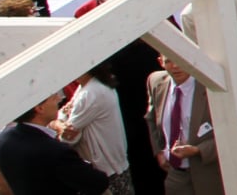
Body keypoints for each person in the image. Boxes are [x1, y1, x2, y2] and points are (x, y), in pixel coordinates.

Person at [0, 90, 109, 195]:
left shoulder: (4, 138)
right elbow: (98, 183)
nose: (59, 98)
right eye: (53, 97)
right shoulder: (55, 151)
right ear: (39, 108)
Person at [146, 52, 221, 195]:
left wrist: (198, 150)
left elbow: (230, 131)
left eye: (181, 60)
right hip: (176, 174)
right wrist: (160, 152)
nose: (175, 66)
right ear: (160, 61)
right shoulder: (156, 82)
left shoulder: (209, 86)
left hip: (209, 171)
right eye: (169, 61)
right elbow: (151, 117)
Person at [51, 62, 129, 193]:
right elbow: (64, 117)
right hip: (112, 166)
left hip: (107, 170)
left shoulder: (90, 92)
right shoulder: (87, 88)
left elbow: (70, 135)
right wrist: (60, 122)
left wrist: (56, 125)